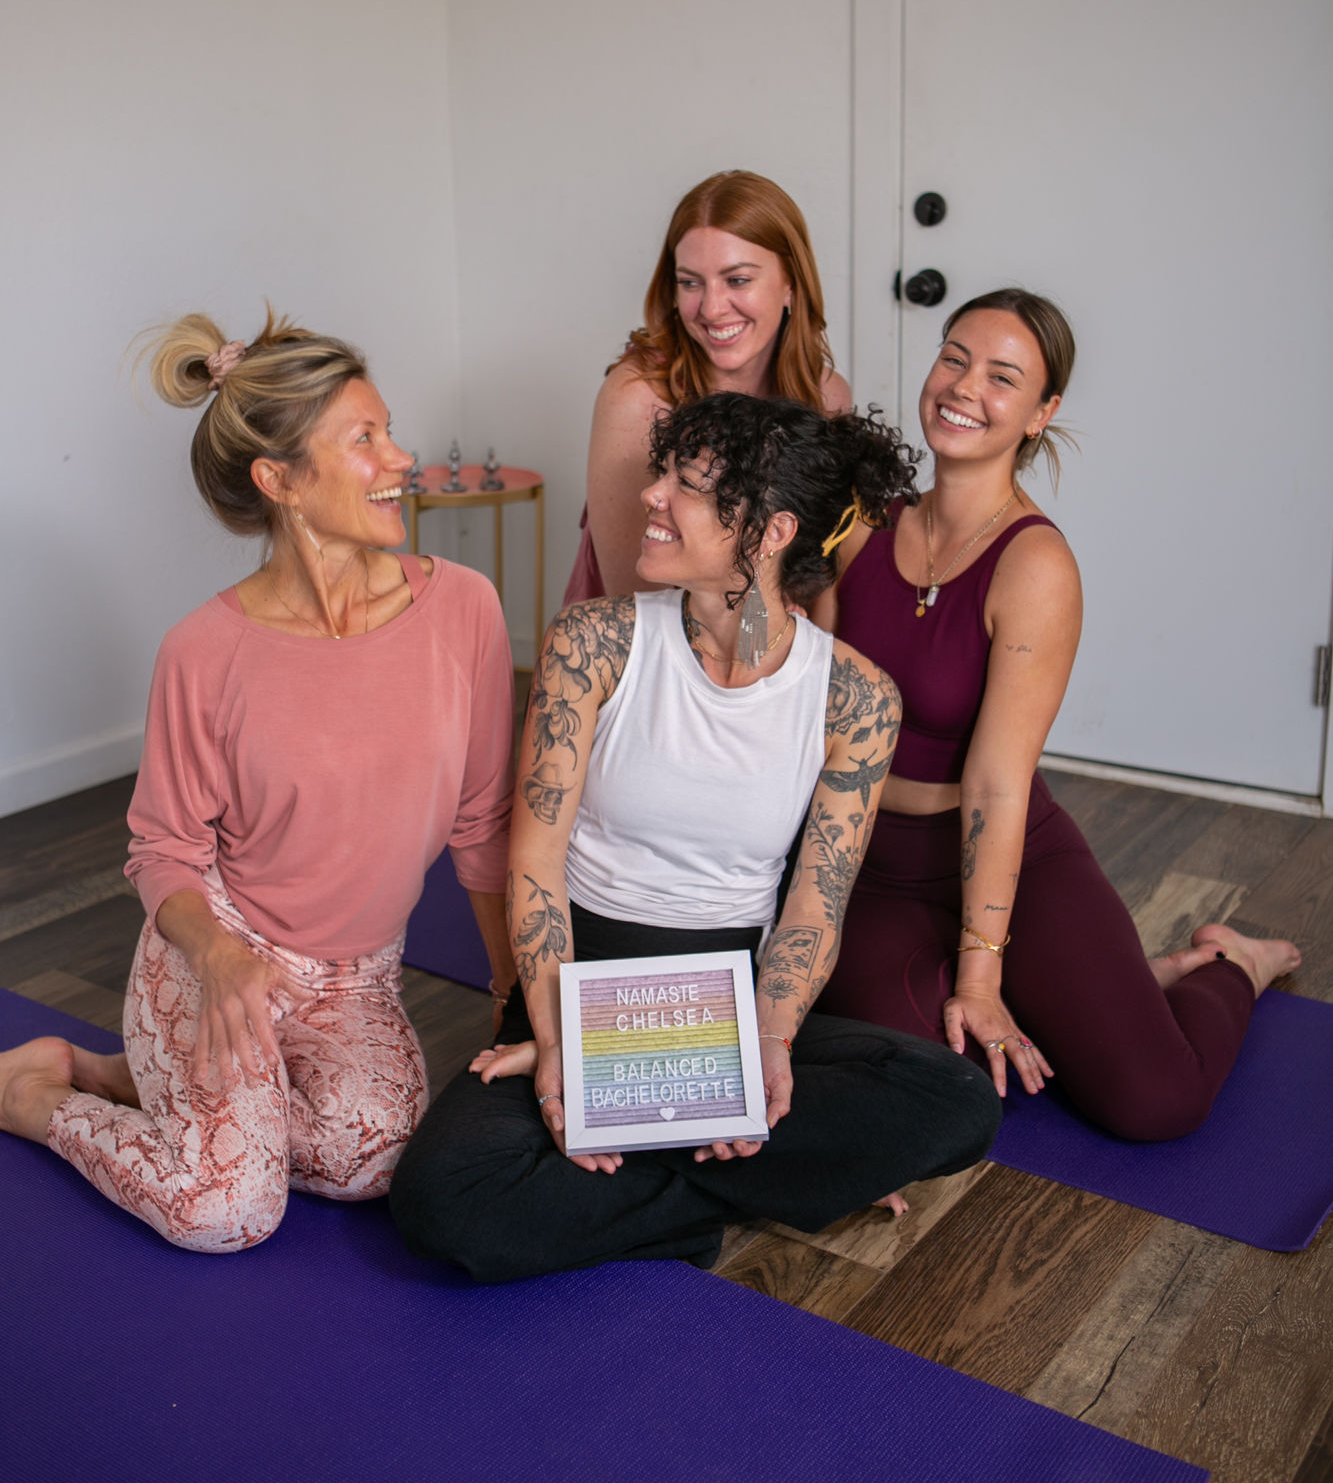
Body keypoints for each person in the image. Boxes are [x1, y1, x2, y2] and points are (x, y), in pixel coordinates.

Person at [390, 393, 1000, 1281]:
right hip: (578, 981)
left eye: (688, 485)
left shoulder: (856, 698)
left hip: (723, 1008)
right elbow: (534, 861)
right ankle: (758, 1181)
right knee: (443, 1200)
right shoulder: (593, 643)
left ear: (770, 529)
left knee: (956, 1104)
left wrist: (769, 1043)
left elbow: (813, 906)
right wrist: (566, 1042)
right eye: (662, 474)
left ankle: (642, 1157)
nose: (651, 498)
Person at [0, 310, 514, 1251]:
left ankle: (133, 1078)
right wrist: (218, 956)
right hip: (223, 959)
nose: (399, 459)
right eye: (364, 439)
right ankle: (38, 1094)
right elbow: (161, 850)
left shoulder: (464, 611)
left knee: (376, 1163)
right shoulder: (206, 650)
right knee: (226, 1211)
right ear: (279, 481)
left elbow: (482, 825)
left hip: (357, 976)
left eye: (388, 429)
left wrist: (510, 989)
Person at [813, 288, 1300, 1141]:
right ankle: (1114, 986)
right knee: (942, 1079)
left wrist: (979, 977)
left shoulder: (1033, 566)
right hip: (867, 865)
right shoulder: (858, 528)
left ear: (1041, 414)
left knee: (1158, 1103)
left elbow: (997, 789)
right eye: (953, 357)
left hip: (1006, 854)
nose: (964, 387)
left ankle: (1231, 968)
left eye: (1002, 377)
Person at [565, 170, 853, 601]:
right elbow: (634, 601)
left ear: (791, 283)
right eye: (690, 283)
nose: (712, 309)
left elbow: (823, 573)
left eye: (737, 280)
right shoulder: (636, 398)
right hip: (644, 646)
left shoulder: (828, 398)